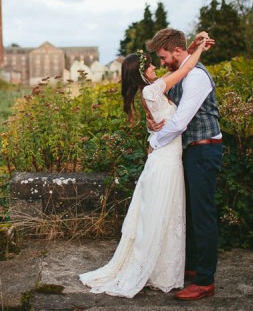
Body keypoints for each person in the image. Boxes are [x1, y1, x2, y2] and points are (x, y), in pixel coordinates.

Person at [79, 32, 212, 298]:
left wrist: (194, 46)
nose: (157, 67)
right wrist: (199, 50)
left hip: (168, 159)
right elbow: (186, 67)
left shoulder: (153, 89)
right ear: (142, 72)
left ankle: (163, 269)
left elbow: (160, 115)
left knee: (167, 215)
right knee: (160, 215)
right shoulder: (153, 89)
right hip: (165, 162)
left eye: (157, 62)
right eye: (151, 65)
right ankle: (155, 270)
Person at [146, 28, 223, 301]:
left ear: (178, 51)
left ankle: (205, 281)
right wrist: (152, 124)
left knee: (202, 214)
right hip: (190, 152)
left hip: (205, 150)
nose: (163, 62)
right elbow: (167, 111)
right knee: (189, 211)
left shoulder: (198, 77)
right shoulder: (182, 73)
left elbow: (180, 122)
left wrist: (154, 142)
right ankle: (192, 267)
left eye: (165, 56)